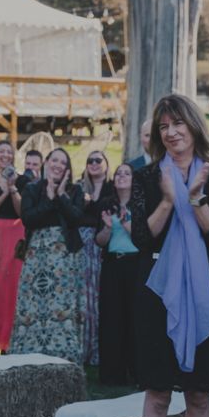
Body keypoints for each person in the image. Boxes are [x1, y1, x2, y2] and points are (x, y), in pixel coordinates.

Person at [130, 94, 209, 417]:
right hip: (157, 292)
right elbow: (142, 239)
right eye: (163, 126)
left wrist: (196, 199)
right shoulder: (146, 178)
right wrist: (169, 201)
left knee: (199, 396)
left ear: (194, 126)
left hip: (205, 293)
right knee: (157, 394)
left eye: (177, 123)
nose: (171, 132)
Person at [8, 148, 86, 363]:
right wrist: (49, 199)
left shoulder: (75, 190)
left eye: (63, 162)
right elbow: (28, 219)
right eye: (54, 160)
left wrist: (60, 196)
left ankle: (63, 352)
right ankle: (29, 352)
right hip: (37, 256)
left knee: (62, 304)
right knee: (33, 304)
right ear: (47, 163)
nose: (58, 165)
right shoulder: (32, 189)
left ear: (68, 168)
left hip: (64, 259)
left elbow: (76, 218)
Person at [94, 163, 139, 385]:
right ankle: (113, 373)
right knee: (112, 318)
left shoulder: (141, 205)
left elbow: (146, 239)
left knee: (135, 317)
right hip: (112, 264)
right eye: (119, 173)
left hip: (136, 266)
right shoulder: (106, 205)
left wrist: (127, 224)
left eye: (127, 173)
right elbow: (99, 241)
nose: (122, 176)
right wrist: (108, 228)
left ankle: (136, 371)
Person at [0, 141, 25, 352]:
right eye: (2, 151)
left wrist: (14, 189)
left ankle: (9, 339)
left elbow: (22, 212)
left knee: (11, 286)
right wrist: (4, 192)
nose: (6, 155)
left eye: (9, 151)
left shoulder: (21, 179)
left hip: (15, 236)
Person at [77, 150, 113, 365]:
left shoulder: (112, 188)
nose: (94, 163)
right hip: (82, 246)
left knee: (101, 297)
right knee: (85, 299)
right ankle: (85, 349)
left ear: (106, 164)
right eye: (90, 160)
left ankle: (100, 350)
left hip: (105, 246)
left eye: (98, 160)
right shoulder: (80, 187)